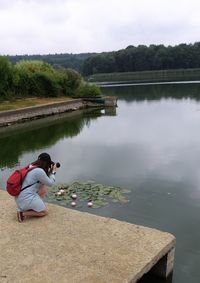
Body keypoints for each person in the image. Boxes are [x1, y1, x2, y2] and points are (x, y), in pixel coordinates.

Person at [15, 152, 57, 222]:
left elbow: (44, 180)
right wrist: (53, 172)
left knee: (43, 187)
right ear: (46, 163)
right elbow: (50, 183)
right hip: (26, 198)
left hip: (19, 197)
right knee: (44, 212)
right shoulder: (39, 171)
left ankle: (32, 206)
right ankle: (23, 213)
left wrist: (50, 171)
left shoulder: (31, 166)